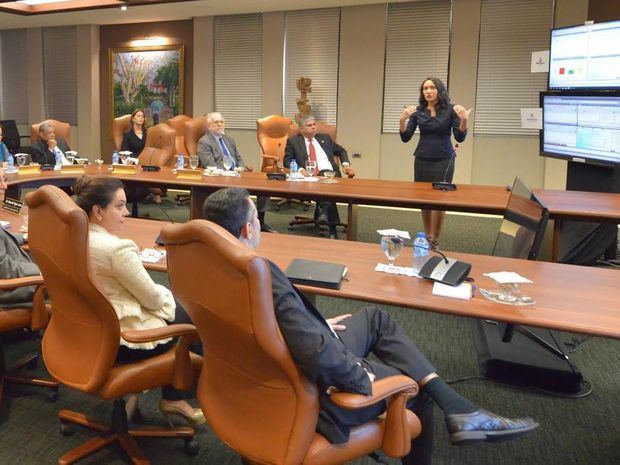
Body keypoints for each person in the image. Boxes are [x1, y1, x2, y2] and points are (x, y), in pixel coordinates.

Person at [203, 187, 539, 465]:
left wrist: (311, 325)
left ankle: (456, 406)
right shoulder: (260, 272)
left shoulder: (209, 268)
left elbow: (246, 326)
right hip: (308, 389)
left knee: (375, 319)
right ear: (247, 230)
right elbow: (317, 356)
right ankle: (454, 408)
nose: (260, 225)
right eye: (256, 219)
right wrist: (358, 374)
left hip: (262, 374)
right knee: (414, 390)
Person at [73, 175, 205, 426]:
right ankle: (174, 399)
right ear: (98, 211)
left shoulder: (72, 236)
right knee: (190, 312)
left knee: (170, 308)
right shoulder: (117, 249)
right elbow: (152, 299)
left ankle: (135, 396)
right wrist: (167, 298)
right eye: (119, 206)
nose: (126, 212)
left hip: (83, 333)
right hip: (120, 341)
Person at [400, 77, 472, 250]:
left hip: (444, 159)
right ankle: (427, 237)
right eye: (425, 88)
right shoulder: (418, 111)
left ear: (439, 90)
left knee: (440, 200)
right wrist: (402, 120)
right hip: (422, 159)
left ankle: (435, 240)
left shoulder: (451, 110)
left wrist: (464, 119)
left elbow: (460, 137)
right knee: (424, 200)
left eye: (432, 87)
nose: (428, 91)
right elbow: (405, 137)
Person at [197, 112, 275, 233]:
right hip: (221, 178)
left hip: (237, 175)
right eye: (216, 122)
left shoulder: (229, 139)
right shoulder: (204, 142)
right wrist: (229, 172)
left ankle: (260, 221)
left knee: (264, 187)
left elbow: (238, 158)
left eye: (222, 122)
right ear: (209, 126)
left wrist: (242, 168)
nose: (219, 124)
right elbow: (210, 164)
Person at [284, 115, 355, 239]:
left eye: (314, 124)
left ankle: (324, 212)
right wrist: (300, 169)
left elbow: (341, 151)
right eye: (309, 125)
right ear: (301, 129)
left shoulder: (325, 138)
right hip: (310, 176)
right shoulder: (293, 141)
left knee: (326, 182)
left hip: (330, 173)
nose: (313, 127)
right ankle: (331, 226)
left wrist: (346, 165)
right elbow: (287, 160)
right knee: (327, 190)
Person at [0, 168, 40, 305]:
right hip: (11, 290)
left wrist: (23, 238)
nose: (4, 186)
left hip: (15, 279)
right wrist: (42, 271)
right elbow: (4, 268)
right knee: (68, 289)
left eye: (4, 180)